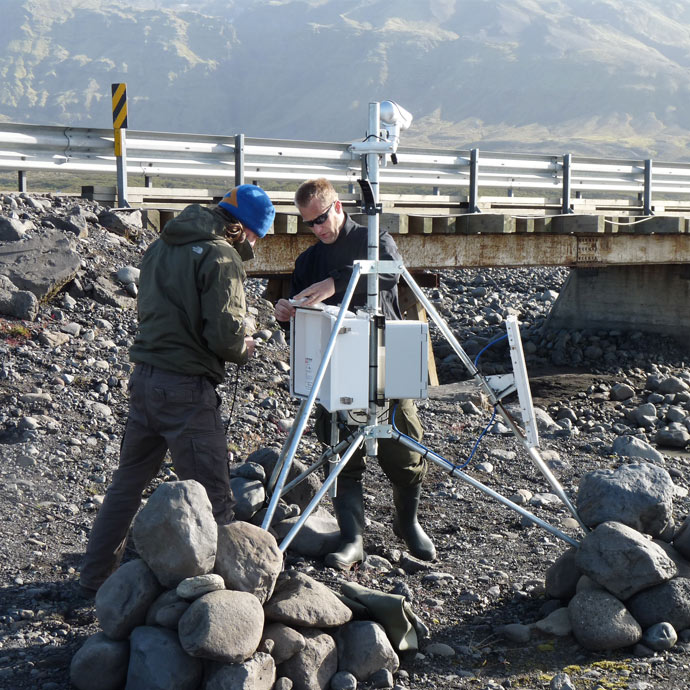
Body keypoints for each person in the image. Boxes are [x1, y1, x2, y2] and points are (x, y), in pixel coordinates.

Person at [79, 184, 275, 593]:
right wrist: (245, 345)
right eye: (257, 236)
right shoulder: (221, 257)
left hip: (146, 379)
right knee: (216, 499)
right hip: (187, 390)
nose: (255, 244)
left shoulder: (160, 245)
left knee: (127, 484)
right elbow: (224, 336)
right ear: (239, 228)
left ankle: (95, 577)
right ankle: (229, 605)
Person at [274, 177, 435, 570]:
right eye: (309, 223)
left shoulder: (373, 239)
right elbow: (299, 326)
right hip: (335, 370)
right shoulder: (307, 262)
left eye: (321, 219)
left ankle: (407, 522)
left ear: (338, 208)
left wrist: (335, 283)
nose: (317, 228)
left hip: (386, 358)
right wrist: (286, 315)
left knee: (404, 447)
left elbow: (389, 275)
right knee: (339, 450)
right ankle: (353, 539)